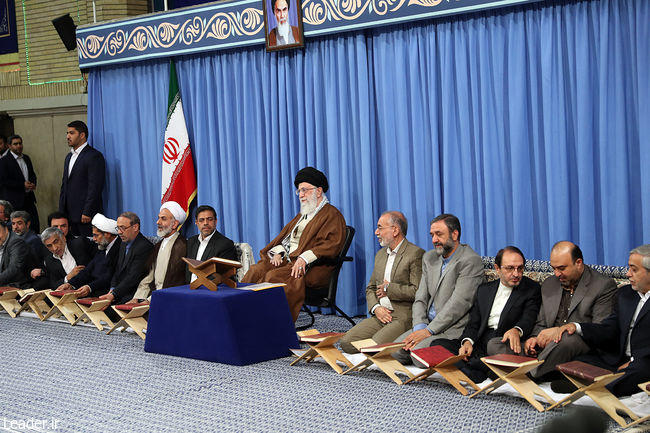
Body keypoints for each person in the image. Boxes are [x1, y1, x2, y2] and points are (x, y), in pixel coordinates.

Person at [241, 167, 346, 321]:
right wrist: (278, 252)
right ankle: (241, 312)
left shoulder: (332, 214)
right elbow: (286, 240)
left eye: (304, 190)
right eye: (299, 191)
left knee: (272, 276)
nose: (301, 195)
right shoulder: (302, 215)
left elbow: (332, 244)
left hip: (311, 268)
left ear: (318, 191)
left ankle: (268, 323)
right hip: (288, 261)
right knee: (256, 270)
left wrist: (304, 258)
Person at [431, 246, 541, 382]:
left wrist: (517, 330)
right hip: (480, 342)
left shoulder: (531, 289)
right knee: (437, 344)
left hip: (502, 343)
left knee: (491, 350)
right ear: (497, 268)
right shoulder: (485, 290)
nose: (516, 274)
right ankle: (475, 370)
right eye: (510, 268)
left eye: (520, 268)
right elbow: (474, 323)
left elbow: (529, 318)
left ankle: (470, 368)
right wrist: (467, 342)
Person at [553, 244, 650, 397]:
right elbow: (609, 328)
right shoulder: (625, 294)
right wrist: (577, 327)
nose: (628, 274)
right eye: (629, 268)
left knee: (639, 371)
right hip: (617, 358)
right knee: (575, 363)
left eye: (634, 269)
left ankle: (594, 389)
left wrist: (633, 360)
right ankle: (601, 385)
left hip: (643, 361)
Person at [393, 213, 484, 367]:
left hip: (452, 327)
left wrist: (429, 331)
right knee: (395, 352)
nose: (434, 240)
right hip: (427, 324)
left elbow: (460, 303)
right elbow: (420, 298)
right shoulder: (429, 258)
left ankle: (450, 351)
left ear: (455, 234)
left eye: (439, 234)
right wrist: (420, 327)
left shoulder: (470, 260)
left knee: (418, 357)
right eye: (432, 235)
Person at [523, 241, 617, 379]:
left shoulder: (603, 286)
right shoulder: (549, 284)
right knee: (496, 344)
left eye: (561, 268)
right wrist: (534, 339)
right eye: (553, 268)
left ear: (578, 263)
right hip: (550, 346)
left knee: (567, 339)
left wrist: (559, 331)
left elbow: (600, 330)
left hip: (579, 342)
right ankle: (546, 370)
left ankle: (526, 375)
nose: (556, 274)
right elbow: (541, 323)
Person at [339, 211, 424, 353]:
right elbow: (371, 288)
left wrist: (389, 289)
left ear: (395, 230)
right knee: (346, 343)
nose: (376, 232)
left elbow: (418, 291)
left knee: (373, 347)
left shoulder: (415, 254)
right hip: (380, 314)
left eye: (380, 227)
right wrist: (376, 308)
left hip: (402, 316)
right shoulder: (380, 255)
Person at [127, 202, 188, 303]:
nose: (158, 222)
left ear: (175, 224)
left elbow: (173, 282)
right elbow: (150, 276)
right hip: (152, 297)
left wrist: (149, 301)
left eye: (163, 219)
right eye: (159, 218)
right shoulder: (158, 245)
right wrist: (136, 298)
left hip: (168, 299)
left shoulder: (182, 246)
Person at [59, 120, 106, 237]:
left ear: (82, 135)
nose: (67, 136)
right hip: (69, 216)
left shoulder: (94, 156)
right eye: (67, 133)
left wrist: (87, 211)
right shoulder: (68, 157)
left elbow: (95, 187)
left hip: (85, 216)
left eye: (71, 133)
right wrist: (61, 212)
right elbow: (65, 185)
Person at [56, 213, 121, 298]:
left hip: (109, 292)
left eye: (96, 235)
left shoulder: (120, 248)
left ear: (107, 234)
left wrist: (90, 287)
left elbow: (109, 276)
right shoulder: (103, 246)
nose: (93, 239)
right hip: (96, 289)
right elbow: (88, 270)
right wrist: (70, 284)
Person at [98, 211, 153, 305]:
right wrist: (112, 290)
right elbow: (117, 271)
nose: (119, 232)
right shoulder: (123, 243)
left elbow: (133, 277)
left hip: (133, 294)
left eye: (123, 228)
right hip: (119, 292)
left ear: (135, 227)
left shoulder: (144, 247)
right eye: (118, 228)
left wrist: (114, 294)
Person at [186, 205, 237, 283]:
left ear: (215, 221)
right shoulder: (191, 242)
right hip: (187, 288)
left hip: (211, 289)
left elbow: (225, 275)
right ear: (196, 223)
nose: (206, 223)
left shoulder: (225, 244)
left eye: (209, 219)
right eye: (201, 220)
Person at [0, 135, 39, 232]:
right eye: (15, 144)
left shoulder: (26, 158)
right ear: (9, 146)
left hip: (29, 198)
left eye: (20, 143)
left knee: (34, 224)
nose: (18, 146)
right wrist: (22, 185)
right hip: (15, 201)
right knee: (19, 228)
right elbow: (4, 181)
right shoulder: (4, 161)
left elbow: (32, 174)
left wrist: (33, 183)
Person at [0, 220, 30, 287]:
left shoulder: (16, 242)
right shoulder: (2, 240)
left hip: (17, 286)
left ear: (6, 229)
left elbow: (14, 269)